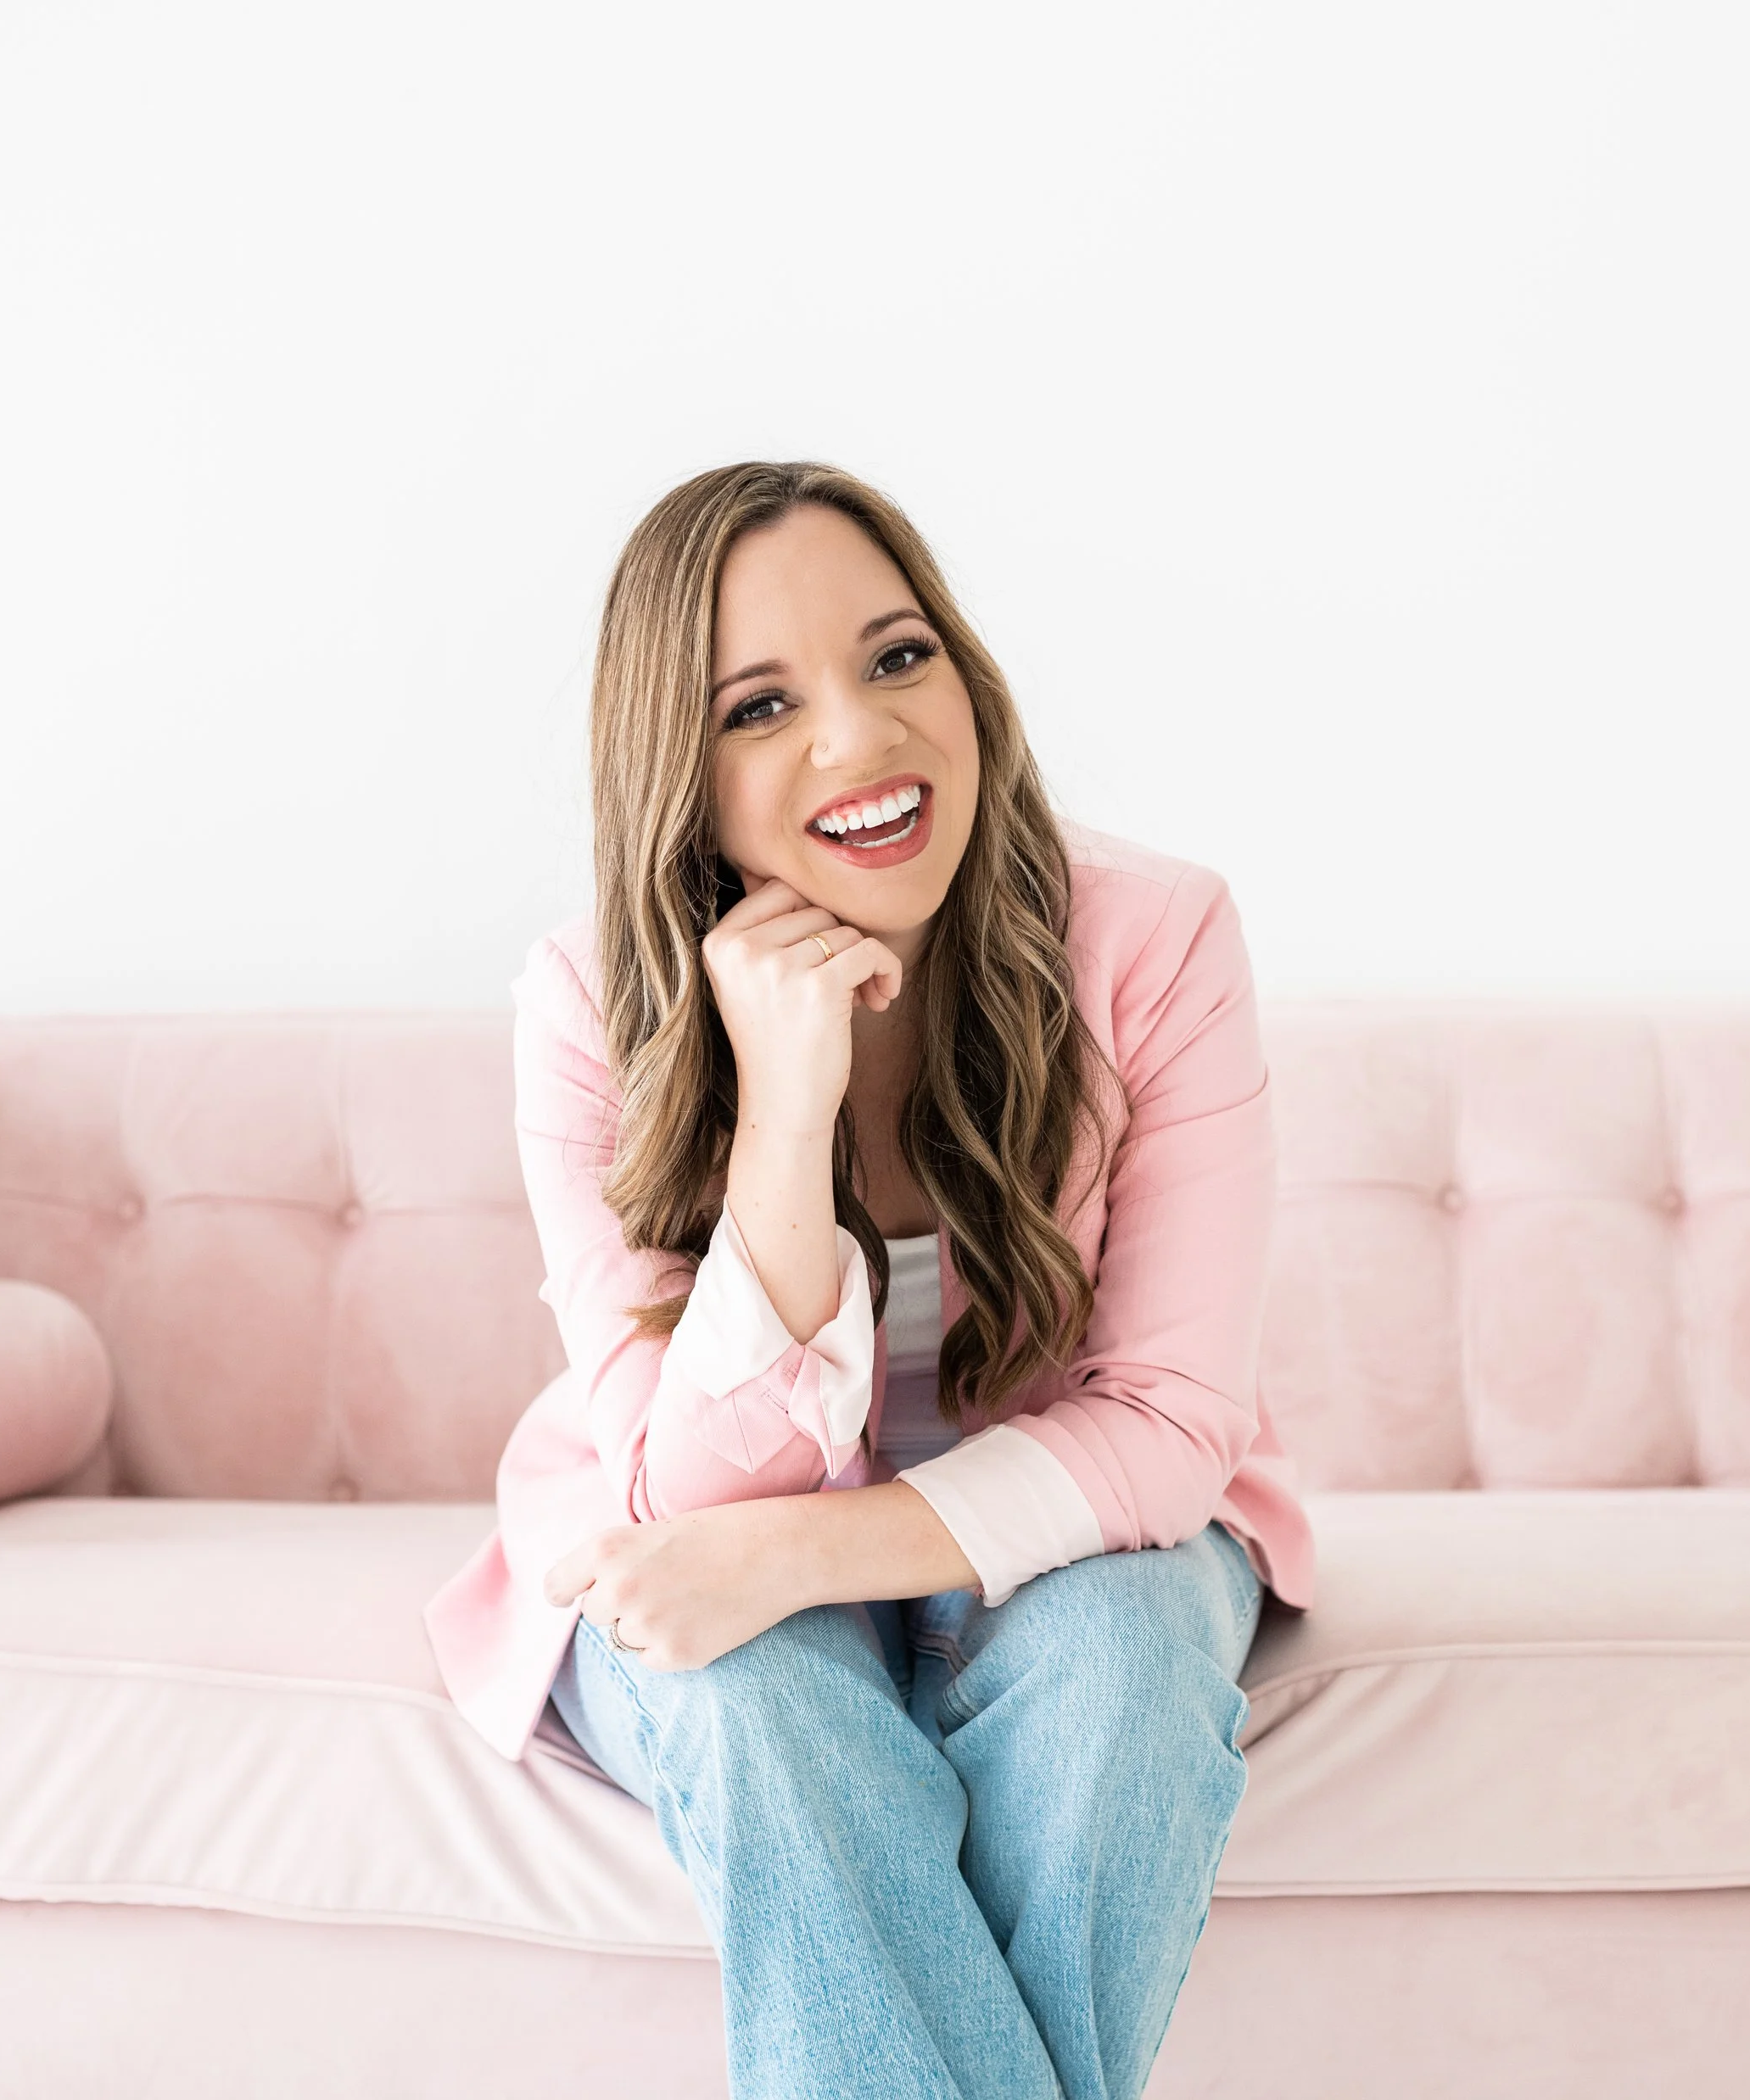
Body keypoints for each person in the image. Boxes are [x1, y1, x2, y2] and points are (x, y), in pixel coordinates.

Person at [422, 461, 1316, 2100]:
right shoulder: (584, 1005)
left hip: (1085, 1539)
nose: (860, 738)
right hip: (675, 1534)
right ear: (677, 775)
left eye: (898, 658)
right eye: (762, 705)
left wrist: (804, 1552)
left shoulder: (1158, 939)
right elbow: (681, 1499)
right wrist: (783, 1109)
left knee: (1121, 1668)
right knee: (755, 1684)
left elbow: (1170, 1419)